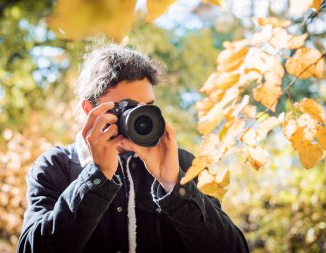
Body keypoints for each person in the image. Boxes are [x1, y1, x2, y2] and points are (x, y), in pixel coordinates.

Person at [17, 45, 249, 253]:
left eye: (147, 107)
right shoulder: (54, 166)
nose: (139, 117)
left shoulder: (183, 165)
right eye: (126, 107)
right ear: (90, 109)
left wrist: (173, 185)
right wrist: (96, 177)